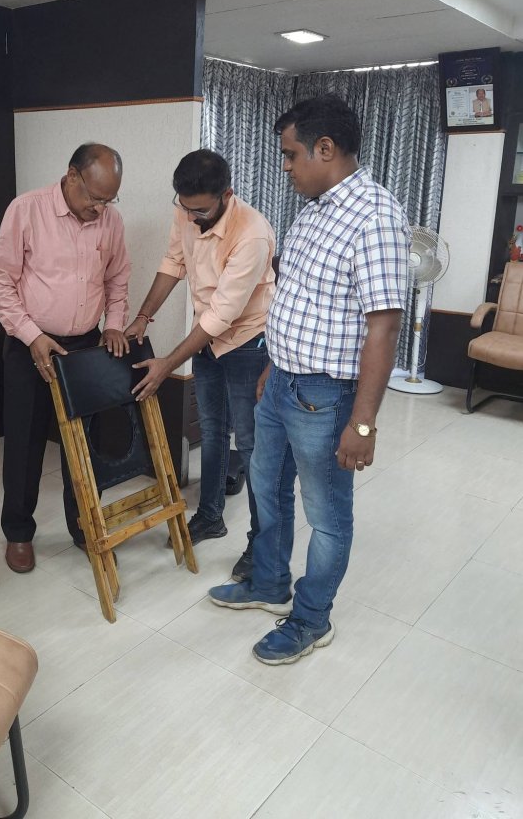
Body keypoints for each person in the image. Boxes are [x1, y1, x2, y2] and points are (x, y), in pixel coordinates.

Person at [208, 95, 410, 665]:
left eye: (291, 154)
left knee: (326, 515)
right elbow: (299, 298)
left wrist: (363, 424)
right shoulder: (316, 207)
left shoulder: (375, 217)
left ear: (326, 148)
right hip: (282, 381)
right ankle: (269, 582)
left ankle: (310, 618)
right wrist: (274, 362)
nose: (286, 165)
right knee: (266, 488)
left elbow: (384, 329)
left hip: (327, 396)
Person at [125, 149, 275, 581]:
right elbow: (173, 262)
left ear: (227, 195)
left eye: (201, 210)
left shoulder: (252, 233)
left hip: (248, 341)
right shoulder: (187, 210)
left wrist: (169, 362)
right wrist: (142, 317)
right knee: (210, 431)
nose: (191, 218)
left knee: (249, 445)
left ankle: (260, 542)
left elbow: (222, 316)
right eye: (184, 208)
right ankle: (210, 515)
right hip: (207, 338)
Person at [0, 144, 130, 573]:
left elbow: (118, 277)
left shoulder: (111, 221)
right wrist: (33, 335)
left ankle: (84, 524)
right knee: (25, 443)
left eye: (109, 200)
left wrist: (115, 323)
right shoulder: (25, 210)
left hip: (86, 345)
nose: (100, 208)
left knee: (84, 444)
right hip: (30, 344)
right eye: (94, 197)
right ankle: (18, 532)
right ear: (71, 176)